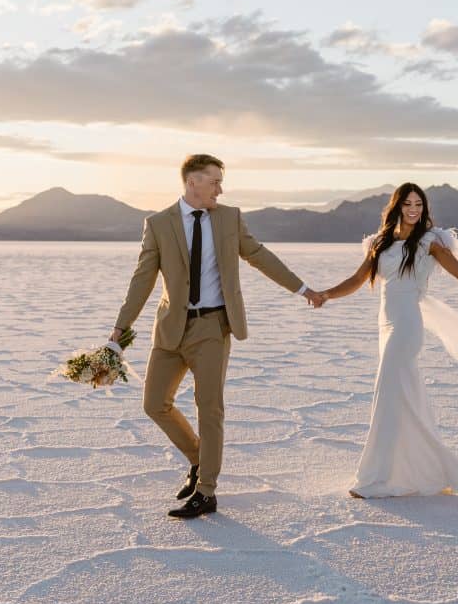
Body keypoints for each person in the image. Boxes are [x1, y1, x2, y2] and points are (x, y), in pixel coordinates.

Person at [110, 154, 325, 518]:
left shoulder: (229, 218)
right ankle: (199, 460)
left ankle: (206, 491)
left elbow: (260, 257)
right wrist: (119, 330)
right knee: (154, 403)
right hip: (170, 328)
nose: (220, 190)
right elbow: (142, 279)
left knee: (209, 407)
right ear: (193, 181)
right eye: (214, 182)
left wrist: (303, 289)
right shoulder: (159, 223)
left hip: (212, 327)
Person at [319, 183, 458, 498]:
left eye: (419, 204)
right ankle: (422, 470)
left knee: (387, 394)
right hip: (385, 325)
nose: (413, 209)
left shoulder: (430, 243)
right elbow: (358, 279)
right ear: (396, 206)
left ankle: (377, 478)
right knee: (401, 398)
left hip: (407, 326)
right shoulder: (379, 242)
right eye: (408, 203)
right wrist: (326, 294)